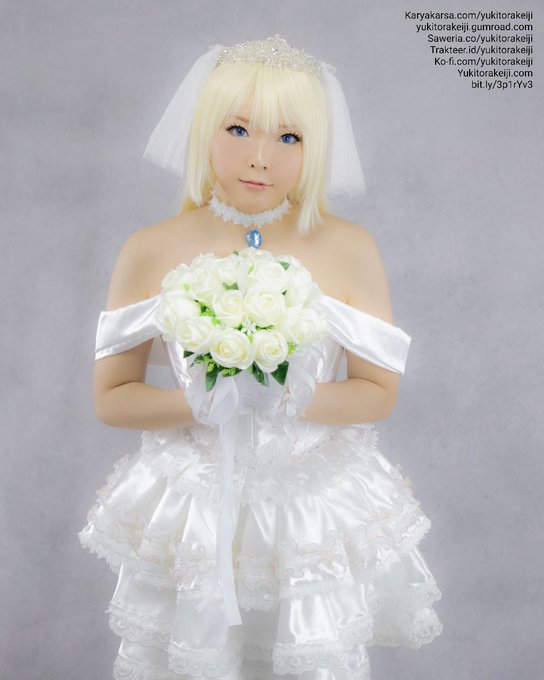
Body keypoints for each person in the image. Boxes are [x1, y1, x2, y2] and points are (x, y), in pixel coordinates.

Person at [80, 35, 442, 680]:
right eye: (239, 129)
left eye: (289, 137)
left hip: (305, 505)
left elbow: (377, 392)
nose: (260, 157)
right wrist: (204, 404)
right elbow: (113, 397)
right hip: (195, 505)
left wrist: (283, 397)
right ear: (204, 129)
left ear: (315, 147)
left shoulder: (350, 247)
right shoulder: (151, 247)